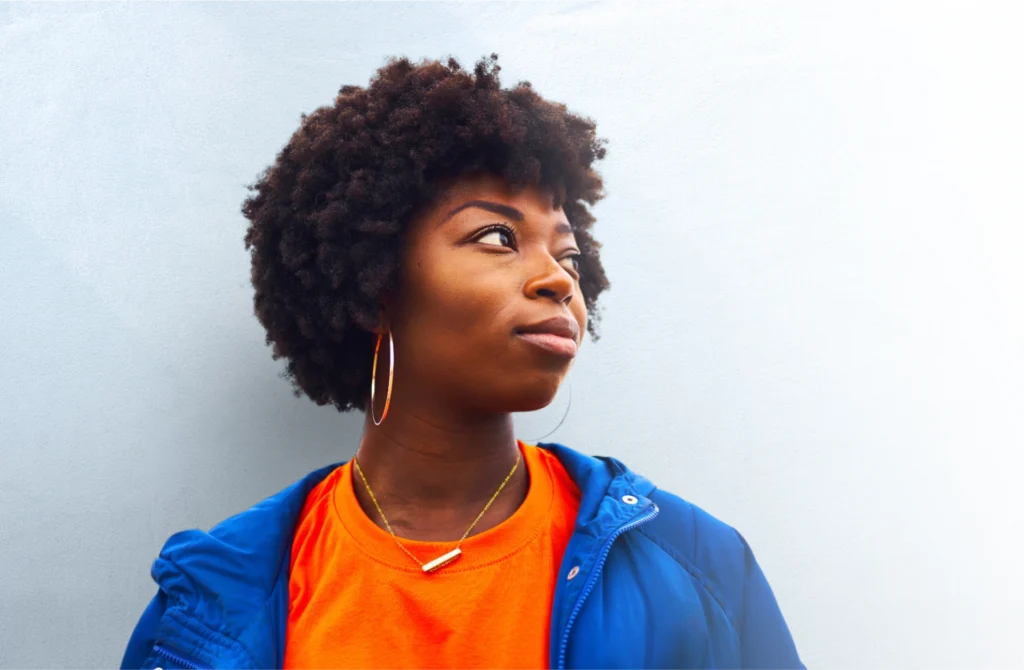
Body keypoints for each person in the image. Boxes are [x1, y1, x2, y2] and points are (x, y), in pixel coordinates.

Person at [120, 54, 805, 670]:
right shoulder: (210, 597)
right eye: (497, 237)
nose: (559, 281)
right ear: (375, 280)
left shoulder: (696, 566)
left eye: (568, 255)